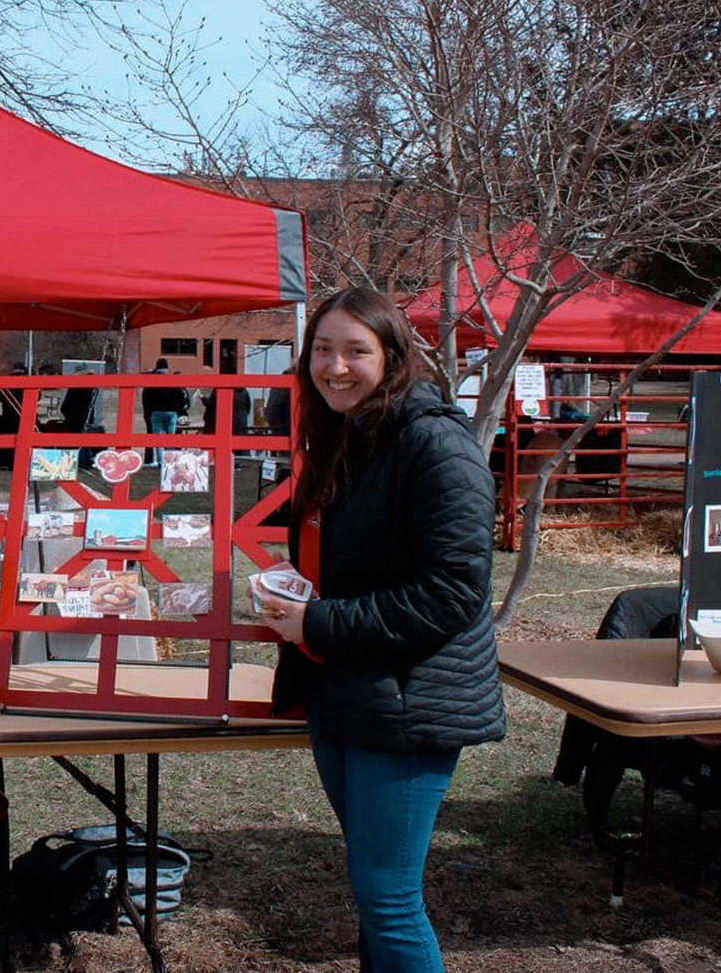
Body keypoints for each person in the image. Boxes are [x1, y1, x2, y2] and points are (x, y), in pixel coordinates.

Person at [257, 287, 504, 973]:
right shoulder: (351, 437)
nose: (335, 367)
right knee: (374, 893)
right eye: (323, 351)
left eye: (355, 351)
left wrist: (320, 619)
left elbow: (451, 593)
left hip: (409, 702)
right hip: (349, 691)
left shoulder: (434, 444)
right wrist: (301, 581)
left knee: (389, 897)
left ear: (393, 357)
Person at [140, 357, 187, 466]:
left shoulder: (152, 381)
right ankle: (170, 462)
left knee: (159, 439)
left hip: (156, 412)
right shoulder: (172, 380)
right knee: (170, 438)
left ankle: (161, 462)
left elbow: (146, 398)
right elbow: (181, 397)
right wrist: (177, 408)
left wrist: (148, 411)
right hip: (171, 412)